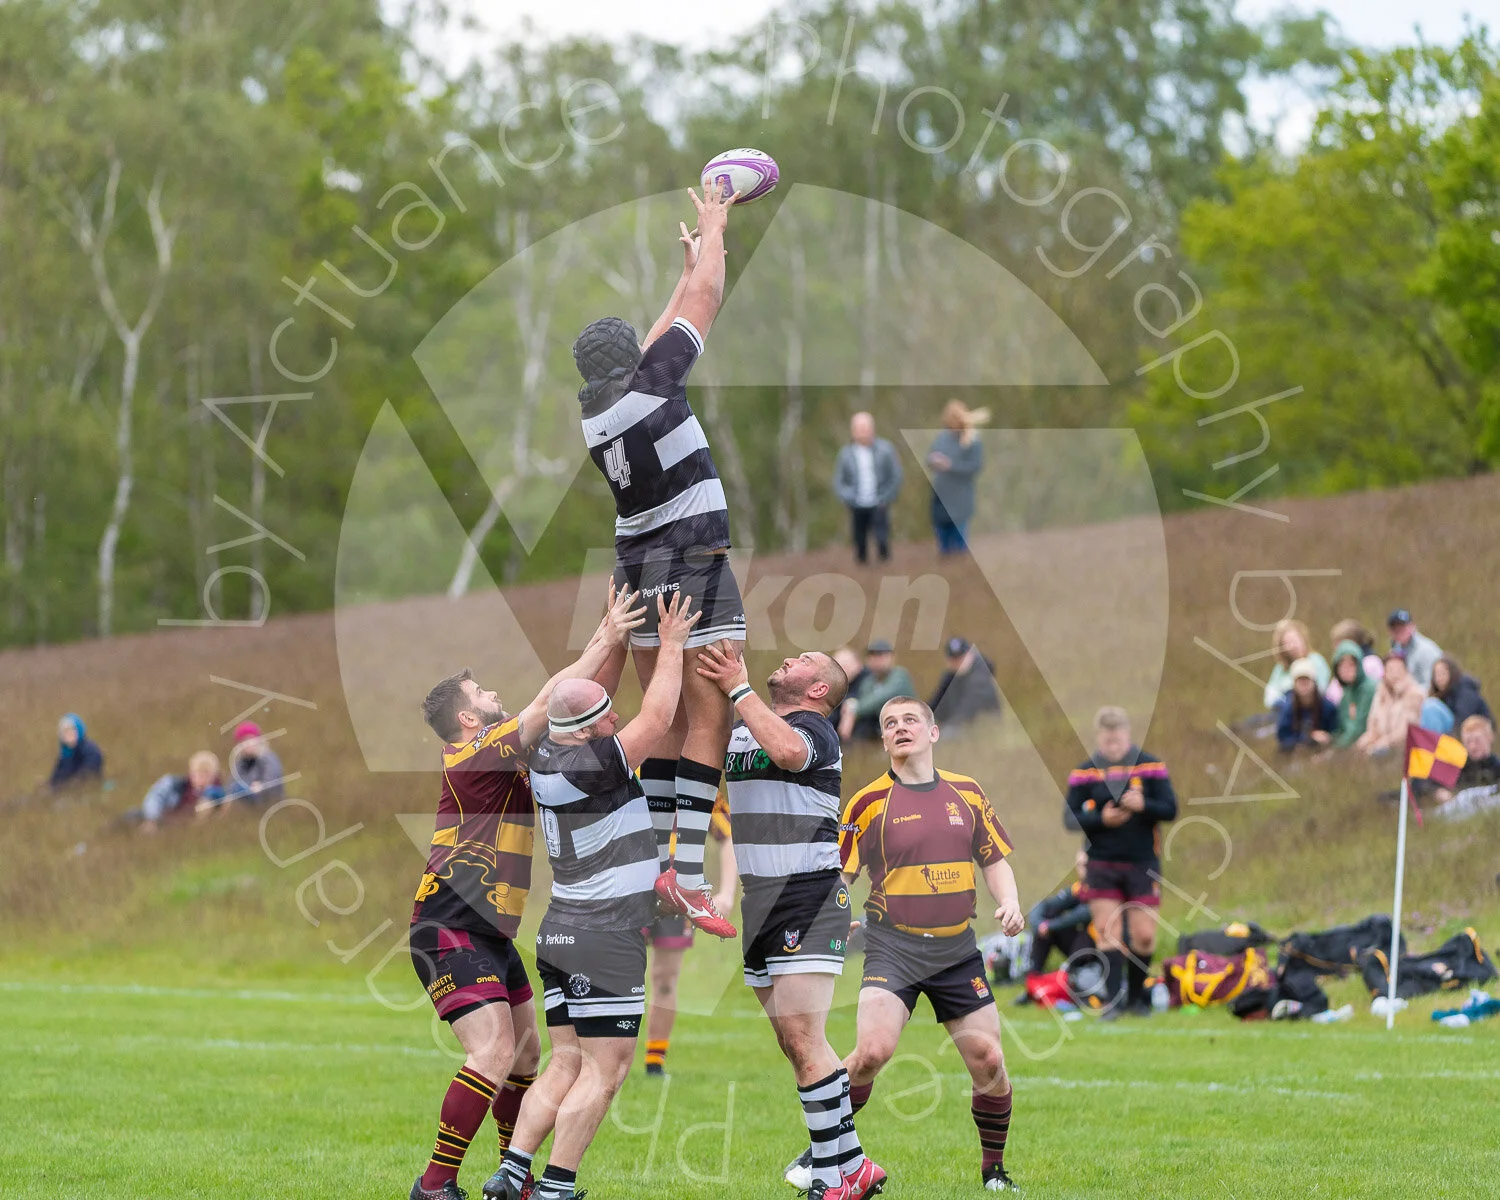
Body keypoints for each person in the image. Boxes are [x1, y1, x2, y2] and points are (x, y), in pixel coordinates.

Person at [407, 584, 645, 1200]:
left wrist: (610, 638)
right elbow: (549, 699)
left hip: (490, 932)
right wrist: (610, 633)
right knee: (491, 1052)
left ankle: (511, 1177)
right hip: (449, 924)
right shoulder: (475, 752)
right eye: (481, 694)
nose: (493, 696)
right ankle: (434, 1186)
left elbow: (576, 704)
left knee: (526, 1057)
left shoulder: (513, 753)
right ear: (467, 718)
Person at [570, 178, 742, 939]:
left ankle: (667, 864)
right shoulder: (650, 386)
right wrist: (715, 231)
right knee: (710, 719)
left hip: (632, 567)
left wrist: (680, 277)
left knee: (664, 725)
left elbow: (660, 333)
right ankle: (691, 874)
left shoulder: (601, 407)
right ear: (631, 359)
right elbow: (708, 300)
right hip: (687, 555)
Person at [486, 593, 698, 1200]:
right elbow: (657, 720)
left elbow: (568, 690)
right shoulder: (594, 762)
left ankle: (512, 1173)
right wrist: (673, 643)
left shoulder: (545, 750)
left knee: (566, 1061)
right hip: (602, 934)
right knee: (607, 1070)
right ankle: (557, 1186)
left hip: (560, 931)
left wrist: (611, 637)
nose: (615, 721)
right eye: (607, 717)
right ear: (588, 730)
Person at [788, 696, 1024, 1193]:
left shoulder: (968, 793)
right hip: (893, 947)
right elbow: (840, 876)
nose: (900, 729)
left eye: (910, 720)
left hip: (957, 950)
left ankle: (994, 1170)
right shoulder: (868, 802)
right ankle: (823, 1149)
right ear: (884, 739)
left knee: (989, 1061)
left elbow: (994, 858)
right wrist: (836, 917)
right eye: (889, 723)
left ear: (933, 732)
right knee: (872, 1051)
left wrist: (1009, 902)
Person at [694, 642, 884, 1200]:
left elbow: (788, 753)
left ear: (819, 688)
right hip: (760, 903)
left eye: (803, 660)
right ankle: (839, 1168)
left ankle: (848, 1170)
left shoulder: (815, 730)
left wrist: (738, 687)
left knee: (805, 1037)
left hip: (809, 894)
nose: (788, 659)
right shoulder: (749, 721)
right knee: (791, 1041)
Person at [1064, 706, 1177, 1018]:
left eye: (1118, 737)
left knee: (1144, 935)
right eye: (1107, 737)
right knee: (1107, 931)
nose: (1113, 743)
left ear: (1128, 734)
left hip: (1143, 862)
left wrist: (1144, 805)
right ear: (1099, 736)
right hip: (1101, 863)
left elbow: (1170, 809)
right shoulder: (1085, 772)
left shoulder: (1151, 766)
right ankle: (1112, 1003)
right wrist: (1101, 818)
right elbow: (1069, 817)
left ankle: (1138, 999)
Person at [641, 794, 735, 1077]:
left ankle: (654, 1063)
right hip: (631, 886)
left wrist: (728, 893)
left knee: (665, 978)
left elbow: (729, 836)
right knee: (617, 970)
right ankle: (604, 1054)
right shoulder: (633, 766)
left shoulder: (697, 779)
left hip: (677, 890)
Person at [832, 412, 903, 565]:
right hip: (857, 504)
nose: (862, 431)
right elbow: (839, 481)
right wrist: (848, 498)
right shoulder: (845, 455)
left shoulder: (886, 450)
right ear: (852, 431)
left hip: (880, 503)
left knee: (882, 538)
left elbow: (896, 476)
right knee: (859, 541)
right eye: (858, 428)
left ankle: (885, 569)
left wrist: (887, 497)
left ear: (872, 429)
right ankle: (861, 572)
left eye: (865, 428)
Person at [927, 400, 988, 555]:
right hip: (941, 495)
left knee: (959, 542)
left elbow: (975, 467)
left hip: (961, 496)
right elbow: (929, 459)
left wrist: (951, 466)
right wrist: (934, 461)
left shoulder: (972, 440)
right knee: (943, 540)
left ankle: (960, 568)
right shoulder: (941, 438)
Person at [1024, 849, 1095, 979]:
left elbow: (1085, 913)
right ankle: (1033, 976)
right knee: (1049, 913)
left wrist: (1050, 926)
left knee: (1087, 932)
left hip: (1102, 948)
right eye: (1079, 865)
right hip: (1079, 947)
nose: (1083, 869)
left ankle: (1076, 974)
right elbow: (1044, 905)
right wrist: (1039, 924)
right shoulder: (1078, 888)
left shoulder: (1105, 890)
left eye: (1086, 865)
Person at [844, 639, 915, 743]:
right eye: (872, 655)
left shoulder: (899, 675)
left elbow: (881, 697)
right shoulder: (868, 682)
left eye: (881, 655)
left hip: (908, 725)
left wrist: (853, 708)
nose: (876, 660)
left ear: (891, 657)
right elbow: (865, 705)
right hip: (881, 728)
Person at [1429, 716, 1500, 819]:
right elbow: (1423, 783)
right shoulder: (1457, 767)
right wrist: (1437, 791)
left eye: (1477, 741)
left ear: (1490, 737)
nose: (1472, 747)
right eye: (1468, 742)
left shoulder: (1497, 767)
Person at [1356, 654, 1426, 757]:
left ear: (1406, 671)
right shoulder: (1380, 694)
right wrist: (1365, 742)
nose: (1395, 674)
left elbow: (1405, 730)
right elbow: (1373, 725)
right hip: (1380, 744)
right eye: (1390, 670)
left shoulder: (1414, 694)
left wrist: (1384, 742)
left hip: (1403, 748)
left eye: (1399, 669)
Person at [930, 636, 1003, 731]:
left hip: (983, 729)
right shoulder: (949, 677)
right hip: (960, 727)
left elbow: (968, 710)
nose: (957, 662)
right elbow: (936, 704)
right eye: (953, 659)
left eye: (961, 657)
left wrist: (948, 729)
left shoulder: (980, 678)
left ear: (970, 655)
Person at [1263, 619, 1329, 712]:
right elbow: (1269, 699)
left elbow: (1321, 690)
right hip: (1283, 714)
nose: (1293, 645)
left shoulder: (1316, 661)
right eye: (1287, 643)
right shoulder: (1280, 669)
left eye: (1295, 640)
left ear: (1303, 638)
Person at [1276, 659, 1339, 754]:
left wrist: (1327, 737)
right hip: (1296, 753)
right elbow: (1283, 738)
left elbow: (1337, 732)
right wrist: (1306, 739)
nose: (1303, 683)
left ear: (1314, 681)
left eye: (1306, 679)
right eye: (1299, 680)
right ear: (1294, 684)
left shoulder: (1328, 707)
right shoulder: (1288, 708)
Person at [225, 722, 286, 805]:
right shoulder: (240, 763)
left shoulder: (267, 757)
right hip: (248, 804)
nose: (248, 744)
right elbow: (232, 784)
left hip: (268, 801)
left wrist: (261, 786)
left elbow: (273, 777)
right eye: (243, 740)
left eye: (250, 739)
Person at [1330, 640, 1377, 749]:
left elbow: (1359, 728)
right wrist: (1330, 739)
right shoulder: (1347, 692)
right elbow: (1343, 727)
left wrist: (1335, 750)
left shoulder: (1369, 689)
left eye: (1351, 665)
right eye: (1342, 666)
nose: (1347, 670)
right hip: (1349, 746)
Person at [1326, 619, 1383, 701]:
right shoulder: (1342, 663)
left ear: (1353, 641)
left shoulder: (1371, 663)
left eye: (1338, 643)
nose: (1335, 648)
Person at [1387, 608, 1442, 689]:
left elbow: (1432, 685)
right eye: (1395, 628)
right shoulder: (1395, 649)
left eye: (1402, 627)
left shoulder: (1425, 650)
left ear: (1412, 627)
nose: (1398, 631)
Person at [1430, 656, 1492, 728]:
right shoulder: (1441, 696)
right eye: (1436, 674)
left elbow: (1461, 722)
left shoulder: (1465, 691)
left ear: (1452, 673)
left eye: (1443, 673)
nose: (1439, 678)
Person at [49, 713, 104, 791]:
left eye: (72, 730)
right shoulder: (65, 755)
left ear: (79, 730)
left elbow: (87, 776)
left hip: (87, 791)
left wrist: (65, 788)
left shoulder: (91, 751)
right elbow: (56, 777)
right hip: (66, 793)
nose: (69, 734)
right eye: (65, 732)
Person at [832, 647, 868, 742]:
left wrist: (851, 706)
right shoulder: (832, 683)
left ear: (859, 665)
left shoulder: (869, 678)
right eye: (838, 665)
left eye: (847, 665)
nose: (843, 668)